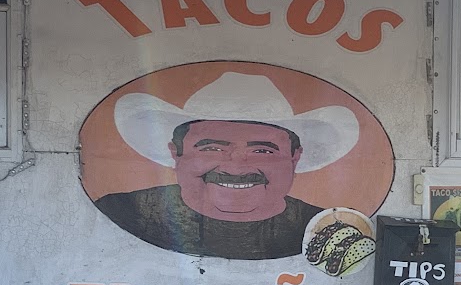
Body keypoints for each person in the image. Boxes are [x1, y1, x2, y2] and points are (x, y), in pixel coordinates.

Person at [92, 71, 362, 260]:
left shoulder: (329, 231)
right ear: (176, 154)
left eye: (262, 150)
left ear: (295, 158)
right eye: (211, 148)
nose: (236, 166)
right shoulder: (122, 211)